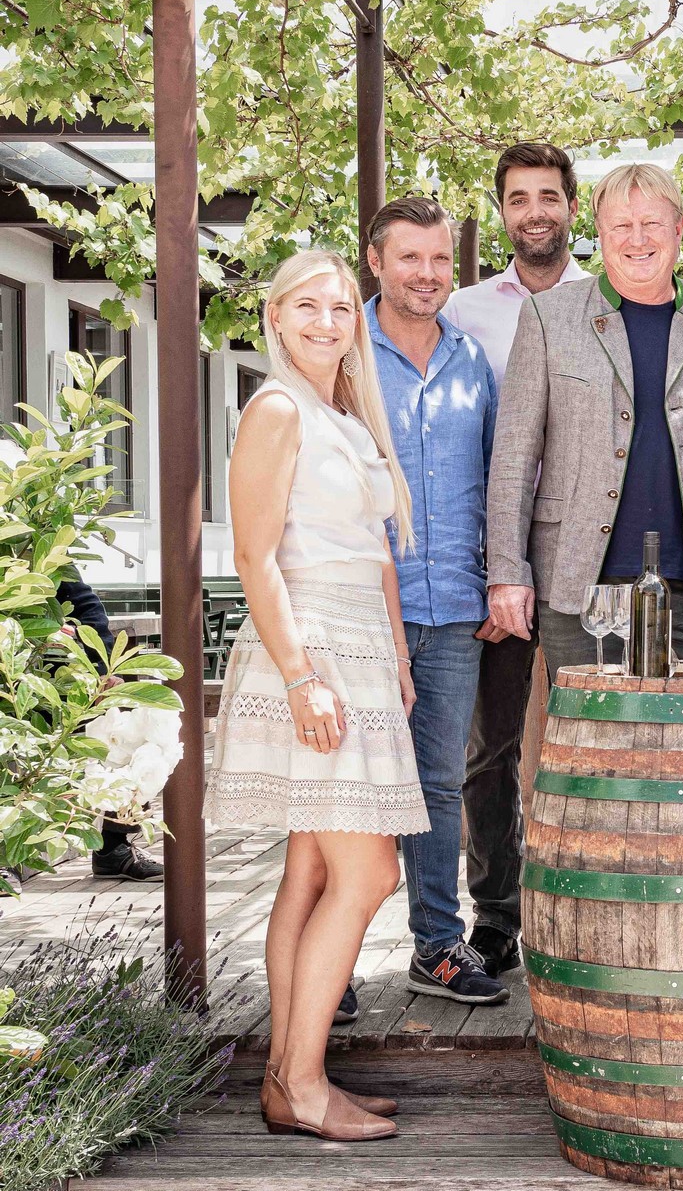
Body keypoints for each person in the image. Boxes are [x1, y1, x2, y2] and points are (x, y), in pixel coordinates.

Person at [207, 248, 426, 1142]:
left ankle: (287, 1079)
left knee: (312, 871)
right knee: (369, 873)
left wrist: (399, 657)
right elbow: (254, 558)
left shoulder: (345, 412)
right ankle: (301, 1084)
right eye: (306, 306)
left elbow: (376, 552)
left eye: (339, 308)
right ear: (275, 317)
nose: (326, 322)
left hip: (364, 649)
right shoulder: (276, 409)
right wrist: (303, 678)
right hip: (314, 650)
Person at [486, 164, 683, 672]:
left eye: (651, 224)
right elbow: (514, 458)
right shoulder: (547, 317)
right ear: (599, 233)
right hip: (580, 588)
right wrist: (506, 570)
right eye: (621, 226)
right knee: (586, 727)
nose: (637, 239)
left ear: (679, 228)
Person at [445, 143, 591, 975]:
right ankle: (496, 916)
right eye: (518, 198)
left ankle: (584, 904)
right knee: (490, 747)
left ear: (571, 206)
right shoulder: (463, 312)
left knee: (587, 741)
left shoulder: (608, 303)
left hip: (583, 557)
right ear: (502, 211)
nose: (534, 211)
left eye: (548, 195)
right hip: (489, 555)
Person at [363, 196, 508, 1007]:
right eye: (410, 257)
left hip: (453, 608)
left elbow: (494, 481)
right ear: (376, 261)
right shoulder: (346, 354)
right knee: (348, 787)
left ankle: (437, 947)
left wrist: (497, 577)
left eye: (440, 259)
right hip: (360, 612)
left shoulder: (471, 360)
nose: (427, 273)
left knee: (440, 784)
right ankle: (332, 960)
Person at [48, 574, 159, 882]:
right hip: (18, 666)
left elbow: (86, 606)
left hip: (54, 666)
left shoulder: (41, 547)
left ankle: (114, 846)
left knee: (130, 724)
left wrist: (100, 670)